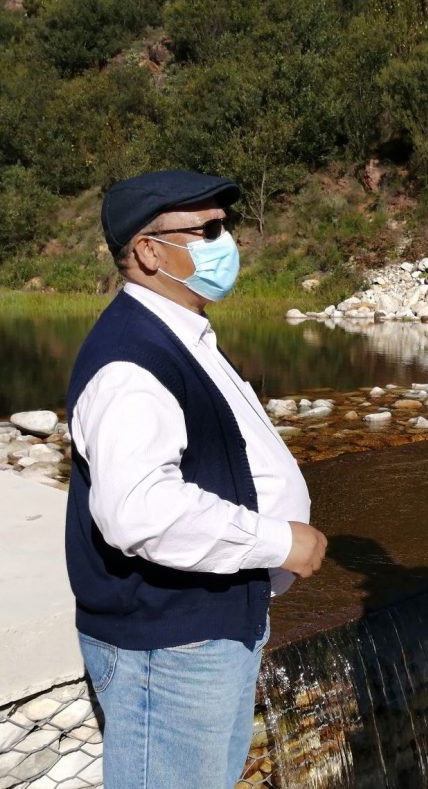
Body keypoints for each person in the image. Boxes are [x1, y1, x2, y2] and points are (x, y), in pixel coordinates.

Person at [65, 169, 329, 789]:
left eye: (225, 226)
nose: (226, 241)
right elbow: (141, 511)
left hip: (200, 631)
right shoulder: (132, 360)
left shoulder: (179, 334)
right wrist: (279, 542)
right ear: (150, 252)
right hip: (172, 647)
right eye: (208, 229)